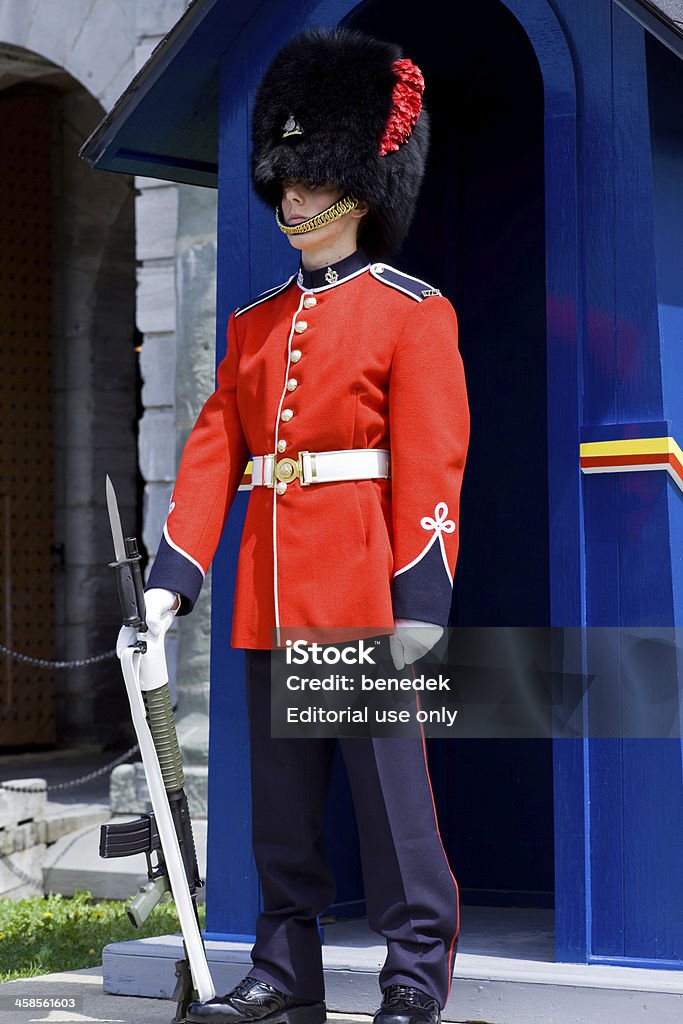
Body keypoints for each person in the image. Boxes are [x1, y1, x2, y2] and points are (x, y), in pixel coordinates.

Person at [122, 25, 469, 1024]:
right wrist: (173, 576)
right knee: (279, 814)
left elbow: (433, 459)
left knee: (393, 813)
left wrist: (420, 597)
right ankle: (284, 968)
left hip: (363, 593)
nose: (293, 202)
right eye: (284, 183)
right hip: (269, 595)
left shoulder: (411, 312)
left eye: (310, 182)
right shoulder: (253, 326)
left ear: (358, 185)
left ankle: (411, 976)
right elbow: (210, 452)